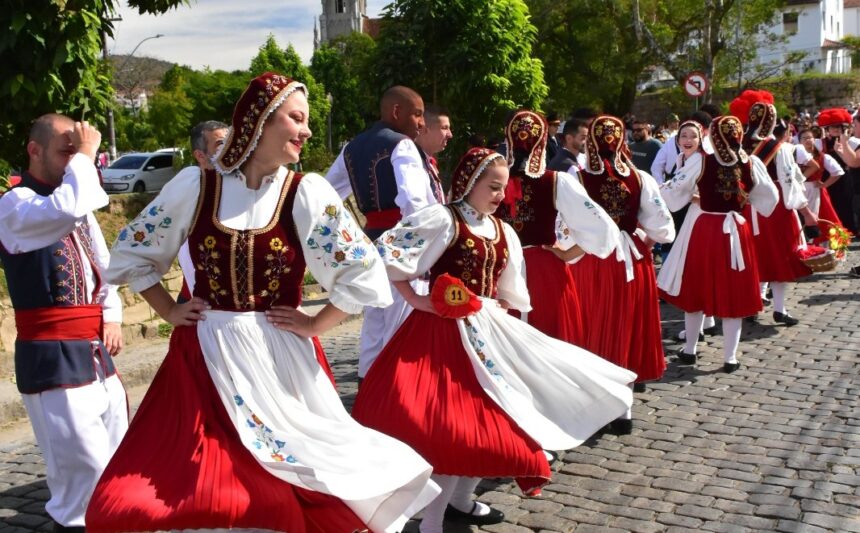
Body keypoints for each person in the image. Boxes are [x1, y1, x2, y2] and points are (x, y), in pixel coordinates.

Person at [86, 73, 439, 533]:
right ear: (259, 121)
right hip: (203, 359)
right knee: (195, 489)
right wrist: (169, 311)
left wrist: (316, 325)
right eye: (297, 119)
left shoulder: (304, 192)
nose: (307, 131)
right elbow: (133, 253)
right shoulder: (198, 185)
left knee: (285, 486)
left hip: (280, 359)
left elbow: (363, 273)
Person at [352, 147, 635, 533]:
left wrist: (500, 308)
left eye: (503, 188)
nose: (501, 195)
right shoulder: (444, 218)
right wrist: (418, 299)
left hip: (486, 330)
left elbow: (510, 289)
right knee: (453, 429)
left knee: (497, 423)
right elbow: (388, 256)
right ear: (469, 182)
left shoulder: (503, 230)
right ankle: (431, 523)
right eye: (493, 186)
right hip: (439, 335)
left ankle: (460, 501)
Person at [0, 115, 128, 532]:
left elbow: (103, 268)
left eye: (77, 151)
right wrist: (88, 155)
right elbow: (67, 207)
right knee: (81, 471)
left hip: (93, 350)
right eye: (65, 150)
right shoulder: (15, 205)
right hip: (51, 354)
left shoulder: (77, 204)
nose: (74, 160)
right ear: (34, 150)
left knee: (114, 461)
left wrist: (111, 316)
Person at [564, 115, 675, 433]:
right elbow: (662, 225)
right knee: (626, 329)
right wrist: (644, 239)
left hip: (591, 259)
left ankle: (594, 409)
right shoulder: (640, 178)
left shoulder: (578, 178)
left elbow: (566, 225)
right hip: (630, 259)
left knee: (592, 330)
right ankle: (624, 413)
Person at [325, 85, 444, 380]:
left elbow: (326, 196)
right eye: (417, 114)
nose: (420, 122)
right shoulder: (402, 145)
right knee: (400, 324)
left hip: (369, 243)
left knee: (374, 322)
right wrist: (425, 249)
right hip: (401, 246)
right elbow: (415, 204)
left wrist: (345, 238)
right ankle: (393, 396)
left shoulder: (350, 147)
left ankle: (369, 392)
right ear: (396, 112)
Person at [659, 115, 779, 373]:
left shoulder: (701, 161)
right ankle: (730, 357)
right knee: (733, 291)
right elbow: (770, 197)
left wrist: (670, 190)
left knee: (697, 288)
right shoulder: (751, 161)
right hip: (737, 229)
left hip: (707, 228)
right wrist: (745, 199)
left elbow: (672, 191)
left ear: (712, 135)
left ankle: (690, 350)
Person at [495, 110, 620, 345]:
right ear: (543, 142)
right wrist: (568, 253)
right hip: (543, 267)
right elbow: (603, 228)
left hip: (498, 266)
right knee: (548, 338)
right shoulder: (555, 181)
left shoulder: (489, 178)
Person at [731, 92, 817, 326]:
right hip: (776, 208)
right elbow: (790, 182)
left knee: (755, 257)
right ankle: (779, 308)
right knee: (781, 257)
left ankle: (753, 303)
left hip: (748, 208)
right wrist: (806, 211)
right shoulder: (779, 148)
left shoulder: (738, 145)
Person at [174, 120, 229, 302]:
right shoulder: (190, 191)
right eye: (221, 143)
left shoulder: (243, 186)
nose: (230, 147)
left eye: (231, 140)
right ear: (200, 155)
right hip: (200, 302)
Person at [797, 128, 843, 240]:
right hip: (796, 189)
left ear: (814, 139)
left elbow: (838, 172)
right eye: (804, 138)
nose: (808, 140)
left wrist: (825, 185)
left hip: (813, 189)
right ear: (800, 141)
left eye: (810, 138)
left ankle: (815, 243)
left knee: (814, 216)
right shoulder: (793, 156)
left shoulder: (822, 157)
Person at [415, 103, 453, 185]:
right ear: (425, 130)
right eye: (444, 128)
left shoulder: (426, 161)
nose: (450, 135)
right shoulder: (412, 163)